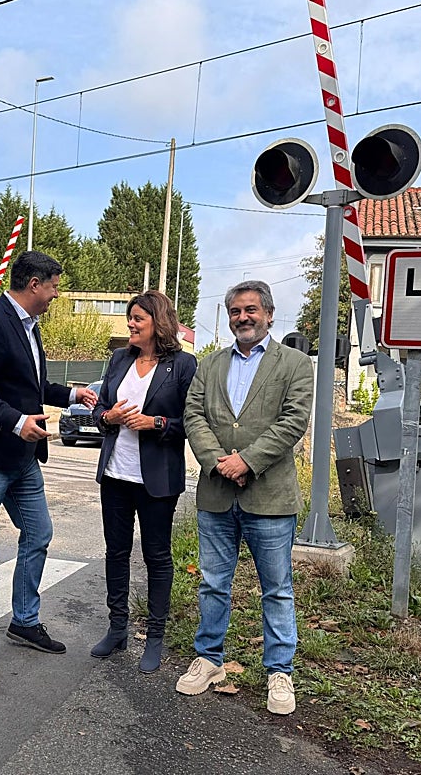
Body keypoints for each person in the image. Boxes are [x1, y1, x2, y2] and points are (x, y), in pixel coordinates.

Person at [0, 250, 98, 675]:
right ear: (34, 284)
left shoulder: (30, 328)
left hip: (23, 459)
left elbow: (27, 385)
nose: (55, 295)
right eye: (53, 287)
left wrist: (71, 395)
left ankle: (24, 621)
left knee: (39, 533)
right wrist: (15, 423)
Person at [176, 280, 313, 715]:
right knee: (213, 583)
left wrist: (247, 461)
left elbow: (294, 421)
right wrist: (217, 460)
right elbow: (192, 413)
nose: (243, 318)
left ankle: (280, 671)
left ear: (270, 314)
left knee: (277, 590)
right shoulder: (209, 364)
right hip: (216, 492)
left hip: (269, 497)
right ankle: (209, 659)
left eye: (251, 310)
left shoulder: (294, 363)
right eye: (235, 311)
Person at [90, 290, 197, 673]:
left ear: (159, 322)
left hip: (157, 480)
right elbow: (101, 409)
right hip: (116, 474)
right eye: (129, 317)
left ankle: (155, 637)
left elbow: (193, 423)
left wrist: (158, 424)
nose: (130, 324)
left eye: (138, 318)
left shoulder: (184, 365)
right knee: (115, 553)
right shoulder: (119, 359)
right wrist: (109, 418)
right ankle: (117, 628)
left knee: (157, 557)